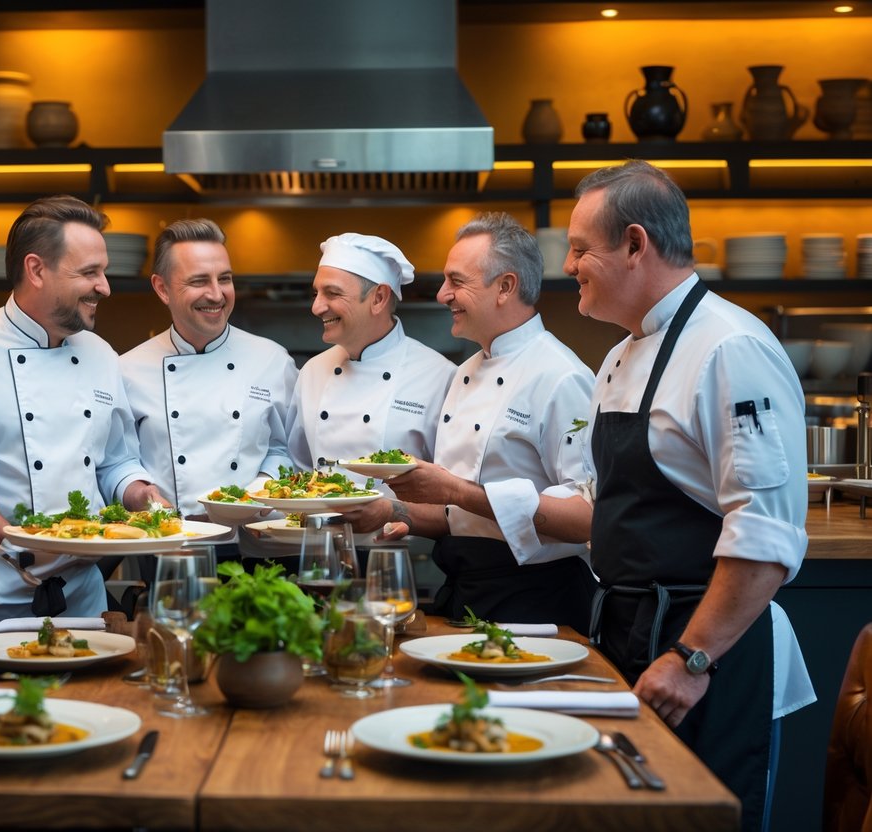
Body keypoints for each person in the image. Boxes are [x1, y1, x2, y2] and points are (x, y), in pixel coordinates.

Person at [567, 160, 814, 832]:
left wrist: (693, 656)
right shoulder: (620, 355)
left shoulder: (729, 348)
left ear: (635, 245)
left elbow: (764, 534)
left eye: (579, 249)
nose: (568, 266)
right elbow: (609, 503)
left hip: (704, 656)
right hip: (629, 640)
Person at [357, 213, 597, 632]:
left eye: (456, 281)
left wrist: (451, 489)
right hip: (469, 591)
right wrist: (391, 510)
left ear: (505, 287)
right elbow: (461, 517)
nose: (442, 294)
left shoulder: (562, 376)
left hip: (540, 600)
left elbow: (587, 519)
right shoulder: (466, 370)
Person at [0, 195, 167, 623]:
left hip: (82, 599)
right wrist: (14, 535)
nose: (105, 287)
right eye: (89, 272)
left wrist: (142, 494)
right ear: (36, 270)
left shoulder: (101, 354)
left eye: (103, 272)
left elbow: (115, 461)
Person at [120, 218, 296, 523]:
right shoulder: (127, 370)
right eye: (199, 281)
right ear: (162, 288)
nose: (216, 295)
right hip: (170, 542)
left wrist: (260, 489)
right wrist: (139, 492)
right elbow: (118, 460)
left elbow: (287, 449)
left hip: (252, 539)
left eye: (224, 279)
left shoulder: (272, 360)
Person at [285, 233, 454, 491]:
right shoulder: (312, 372)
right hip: (320, 530)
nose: (317, 307)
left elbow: (450, 488)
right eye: (316, 293)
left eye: (332, 293)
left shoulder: (439, 377)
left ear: (378, 298)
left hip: (404, 531)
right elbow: (299, 472)